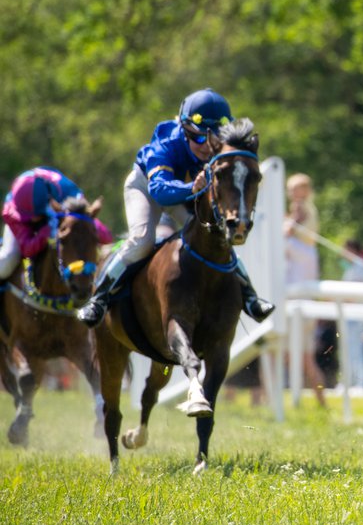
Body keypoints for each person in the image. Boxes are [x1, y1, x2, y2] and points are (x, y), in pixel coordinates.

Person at [75, 89, 274, 327]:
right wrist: (191, 188)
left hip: (186, 192)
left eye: (212, 139)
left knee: (216, 235)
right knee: (142, 240)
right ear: (184, 130)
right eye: (197, 137)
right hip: (147, 188)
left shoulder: (220, 148)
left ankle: (249, 296)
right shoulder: (166, 143)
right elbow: (160, 191)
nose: (205, 145)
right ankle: (99, 298)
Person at [0, 167, 113, 283]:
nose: (33, 218)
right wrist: (47, 230)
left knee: (95, 235)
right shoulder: (13, 211)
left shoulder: (67, 191)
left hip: (56, 209)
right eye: (30, 215)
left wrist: (97, 234)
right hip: (22, 221)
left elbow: (86, 221)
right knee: (8, 259)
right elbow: (27, 249)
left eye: (36, 214)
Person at [283, 172, 326, 406]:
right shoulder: (300, 211)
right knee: (301, 358)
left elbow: (287, 232)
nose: (293, 194)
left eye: (297, 189)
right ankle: (318, 402)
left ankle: (315, 402)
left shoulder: (301, 210)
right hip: (300, 294)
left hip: (299, 296)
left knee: (301, 358)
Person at [340, 238, 363, 389]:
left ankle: (360, 382)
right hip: (350, 314)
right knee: (349, 349)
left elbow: (360, 291)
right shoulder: (353, 267)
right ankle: (349, 381)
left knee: (356, 349)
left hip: (357, 314)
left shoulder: (360, 266)